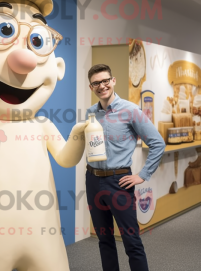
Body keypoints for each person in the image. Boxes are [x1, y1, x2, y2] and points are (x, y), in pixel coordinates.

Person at [85, 64, 165, 271]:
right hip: (93, 180)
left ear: (113, 81)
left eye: (105, 81)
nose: (101, 86)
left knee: (131, 240)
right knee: (104, 239)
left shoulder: (130, 110)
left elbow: (157, 143)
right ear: (91, 87)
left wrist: (142, 175)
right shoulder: (91, 113)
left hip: (118, 182)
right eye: (96, 83)